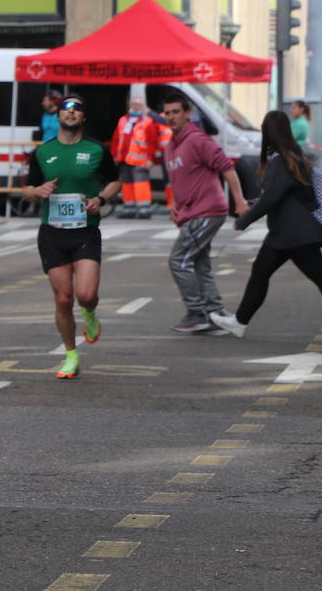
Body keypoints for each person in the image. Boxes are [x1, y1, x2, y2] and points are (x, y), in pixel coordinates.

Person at [210, 110, 322, 343]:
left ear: (268, 133)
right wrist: (250, 206)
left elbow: (272, 198)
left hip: (297, 233)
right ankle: (240, 321)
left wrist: (244, 221)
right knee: (261, 273)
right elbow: (275, 196)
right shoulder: (290, 156)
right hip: (286, 233)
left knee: (321, 277)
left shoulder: (282, 160)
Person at [21, 95, 121, 379]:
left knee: (85, 295)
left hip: (85, 231)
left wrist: (100, 198)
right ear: (58, 116)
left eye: (77, 108)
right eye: (66, 108)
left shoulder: (96, 150)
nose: (71, 112)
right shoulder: (43, 152)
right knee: (63, 299)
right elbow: (27, 188)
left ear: (83, 117)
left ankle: (90, 313)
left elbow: (115, 180)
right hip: (52, 234)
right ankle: (70, 354)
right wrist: (36, 192)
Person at [162, 94, 248, 333]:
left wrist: (239, 201)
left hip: (207, 211)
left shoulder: (198, 140)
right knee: (200, 265)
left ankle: (197, 313)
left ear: (187, 114)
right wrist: (175, 204)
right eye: (167, 112)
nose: (171, 117)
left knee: (178, 261)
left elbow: (227, 168)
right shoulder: (170, 146)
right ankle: (215, 314)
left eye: (176, 112)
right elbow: (178, 179)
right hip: (191, 212)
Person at [110, 87, 167, 219]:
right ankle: (129, 208)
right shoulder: (123, 120)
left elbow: (152, 142)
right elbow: (116, 139)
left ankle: (143, 209)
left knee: (141, 185)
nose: (136, 107)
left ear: (142, 106)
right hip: (124, 159)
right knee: (127, 185)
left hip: (140, 160)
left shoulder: (147, 122)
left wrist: (150, 159)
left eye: (138, 105)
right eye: (133, 104)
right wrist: (114, 155)